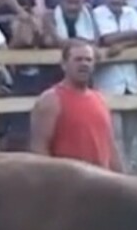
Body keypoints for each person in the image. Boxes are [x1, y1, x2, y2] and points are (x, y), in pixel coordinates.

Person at [29, 38, 120, 171]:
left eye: (88, 60)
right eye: (78, 59)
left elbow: (111, 147)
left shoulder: (100, 99)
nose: (84, 64)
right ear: (64, 64)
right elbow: (39, 149)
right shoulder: (50, 100)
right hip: (69, 185)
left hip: (101, 183)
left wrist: (122, 178)